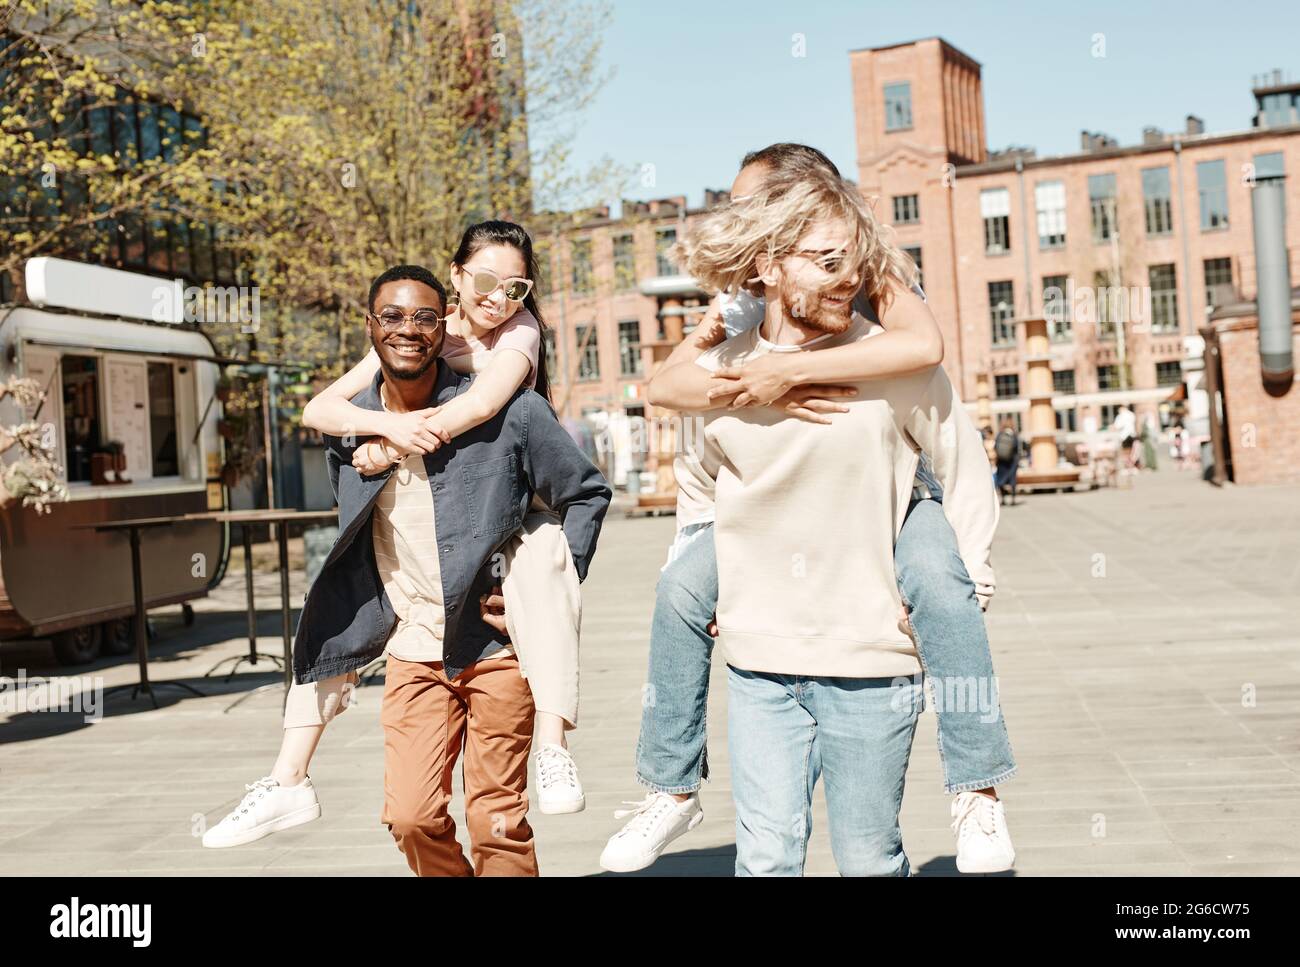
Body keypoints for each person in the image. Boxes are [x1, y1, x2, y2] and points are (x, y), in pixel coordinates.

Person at [600, 144, 1016, 875]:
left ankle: (977, 783)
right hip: (763, 664)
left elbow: (962, 457)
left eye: (845, 258)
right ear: (765, 259)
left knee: (866, 859)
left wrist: (973, 571)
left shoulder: (887, 339)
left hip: (874, 633)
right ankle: (670, 785)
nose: (845, 274)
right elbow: (686, 453)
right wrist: (708, 570)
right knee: (764, 860)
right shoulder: (725, 359)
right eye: (824, 260)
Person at [202, 261, 611, 874]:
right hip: (414, 650)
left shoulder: (510, 414)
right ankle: (288, 782)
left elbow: (586, 493)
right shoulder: (350, 429)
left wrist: (550, 581)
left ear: (442, 323)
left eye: (424, 317)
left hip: (498, 650)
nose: (408, 330)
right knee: (411, 817)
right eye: (392, 317)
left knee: (494, 818)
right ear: (370, 327)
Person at [993, 418, 1020, 505]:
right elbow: (1017, 448)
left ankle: (1003, 499)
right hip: (1012, 462)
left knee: (1001, 480)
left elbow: (995, 447)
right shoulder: (1014, 435)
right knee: (1012, 480)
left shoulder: (1000, 434)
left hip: (1001, 462)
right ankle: (1013, 499)